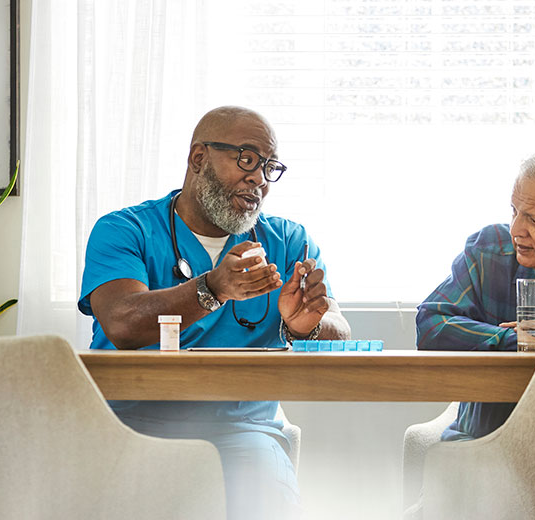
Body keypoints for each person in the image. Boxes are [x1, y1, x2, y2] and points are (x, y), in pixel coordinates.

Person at [78, 106, 351, 520]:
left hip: (245, 429)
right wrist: (212, 288)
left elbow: (339, 328)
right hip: (133, 424)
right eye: (246, 158)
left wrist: (307, 327)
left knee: (267, 506)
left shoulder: (288, 240)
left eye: (269, 167)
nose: (258, 178)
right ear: (199, 159)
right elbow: (121, 322)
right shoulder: (125, 230)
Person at [416, 150, 535, 441]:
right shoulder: (489, 250)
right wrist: (528, 338)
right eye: (514, 211)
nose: (516, 229)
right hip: (481, 442)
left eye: (533, 219)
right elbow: (431, 324)